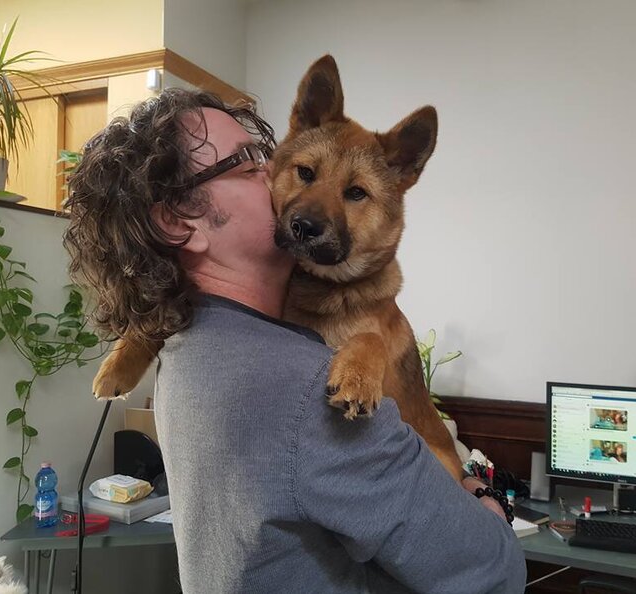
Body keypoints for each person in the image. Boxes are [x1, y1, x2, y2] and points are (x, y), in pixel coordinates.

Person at [63, 88, 526, 594]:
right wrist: (487, 505)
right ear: (178, 221)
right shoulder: (306, 390)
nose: (272, 174)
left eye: (267, 158)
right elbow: (495, 571)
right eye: (246, 166)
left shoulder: (188, 344)